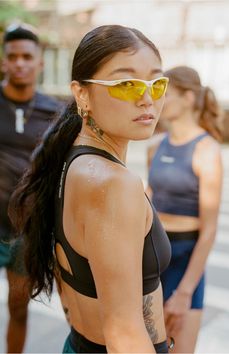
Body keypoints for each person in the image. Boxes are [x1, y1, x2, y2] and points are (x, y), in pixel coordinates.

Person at [9, 25, 173, 353]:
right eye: (126, 84)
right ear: (82, 93)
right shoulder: (113, 184)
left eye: (157, 83)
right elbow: (124, 333)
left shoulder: (70, 160)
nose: (146, 98)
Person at [147, 66, 223, 353]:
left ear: (188, 98)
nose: (157, 101)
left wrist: (184, 292)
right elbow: (149, 205)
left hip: (184, 262)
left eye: (165, 94)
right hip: (153, 257)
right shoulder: (156, 146)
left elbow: (209, 230)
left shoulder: (207, 150)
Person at [0, 23, 61, 353]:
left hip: (27, 230)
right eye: (13, 56)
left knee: (18, 307)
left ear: (39, 62)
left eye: (27, 56)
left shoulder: (55, 112)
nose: (20, 62)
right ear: (3, 61)